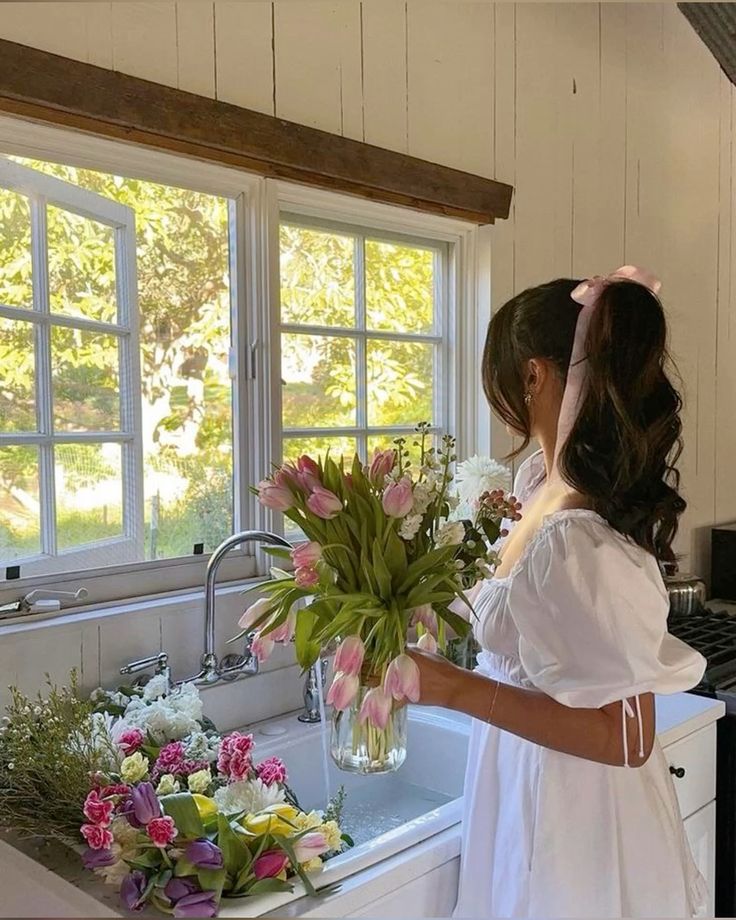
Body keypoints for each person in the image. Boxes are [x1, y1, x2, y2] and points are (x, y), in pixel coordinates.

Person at [408, 267, 708, 918]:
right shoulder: (535, 484)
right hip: (520, 776)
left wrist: (452, 688)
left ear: (536, 374)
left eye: (500, 379)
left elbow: (627, 738)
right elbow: (536, 629)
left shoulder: (573, 536)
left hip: (579, 812)